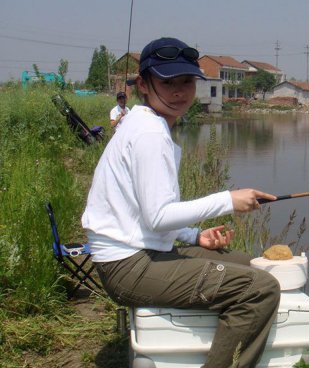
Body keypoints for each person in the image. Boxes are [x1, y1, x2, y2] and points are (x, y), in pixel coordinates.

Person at [82, 37, 280, 368]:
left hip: (138, 251)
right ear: (143, 85)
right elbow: (158, 216)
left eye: (186, 81)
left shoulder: (145, 122)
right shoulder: (150, 133)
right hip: (128, 265)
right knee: (259, 289)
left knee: (248, 263)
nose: (179, 91)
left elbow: (147, 213)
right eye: (167, 82)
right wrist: (228, 200)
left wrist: (193, 236)